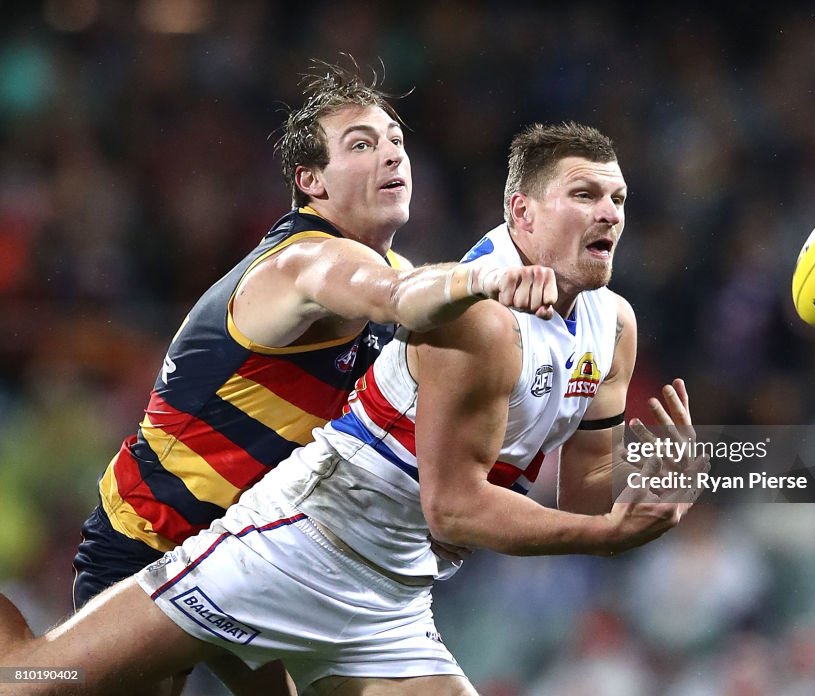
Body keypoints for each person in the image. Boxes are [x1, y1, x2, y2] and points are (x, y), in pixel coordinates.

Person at [0, 122, 705, 696]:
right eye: (585, 195)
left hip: (390, 596)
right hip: (288, 550)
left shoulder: (614, 325)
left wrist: (651, 491)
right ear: (521, 211)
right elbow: (454, 510)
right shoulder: (476, 320)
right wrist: (612, 535)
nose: (610, 212)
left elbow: (583, 507)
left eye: (617, 198)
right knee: (32, 680)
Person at [64, 57, 556, 696]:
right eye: (361, 144)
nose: (392, 156)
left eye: (396, 142)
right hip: (149, 547)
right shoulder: (304, 263)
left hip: (263, 557)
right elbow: (396, 294)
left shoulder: (409, 281)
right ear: (310, 181)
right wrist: (483, 277)